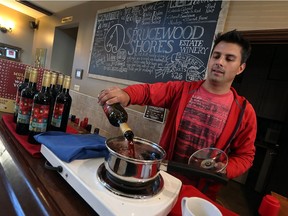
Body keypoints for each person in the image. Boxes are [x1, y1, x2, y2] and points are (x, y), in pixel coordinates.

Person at [98, 30, 257, 200]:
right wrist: (126, 94)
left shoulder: (244, 112)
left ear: (241, 68)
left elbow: (246, 156)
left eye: (229, 59)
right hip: (164, 180)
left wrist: (226, 168)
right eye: (216, 56)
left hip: (202, 192)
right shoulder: (182, 90)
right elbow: (148, 92)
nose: (220, 62)